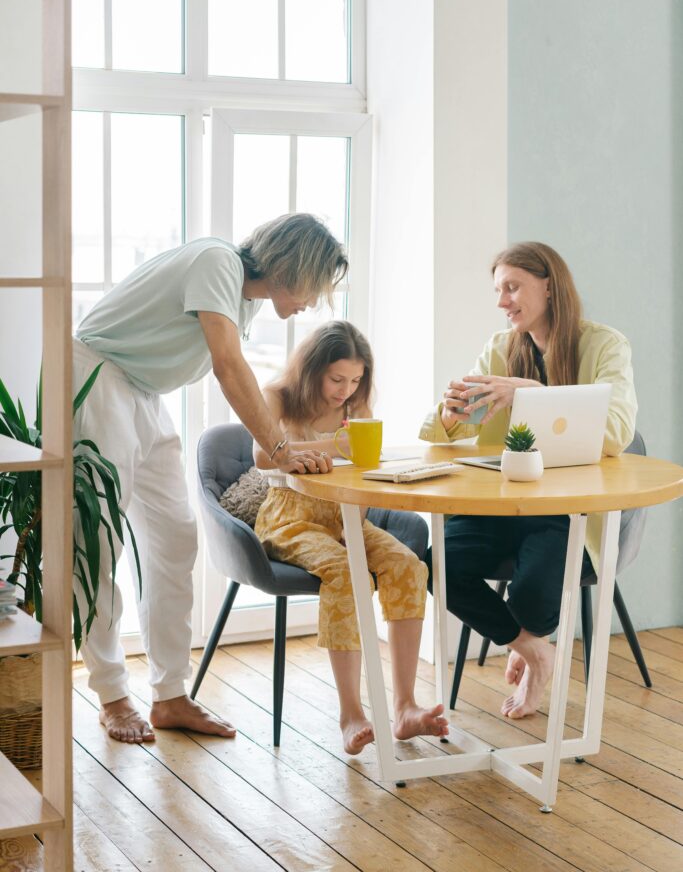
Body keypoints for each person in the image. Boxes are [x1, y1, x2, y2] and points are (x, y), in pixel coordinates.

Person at [73, 213, 346, 744]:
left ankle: (170, 695)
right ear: (290, 267)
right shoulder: (217, 261)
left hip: (141, 391)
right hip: (97, 373)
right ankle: (111, 694)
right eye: (314, 285)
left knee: (174, 537)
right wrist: (282, 448)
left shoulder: (242, 296)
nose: (313, 302)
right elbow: (228, 365)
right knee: (99, 541)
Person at [419, 242, 637, 719]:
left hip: (566, 510)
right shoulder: (500, 348)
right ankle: (535, 650)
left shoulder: (604, 346)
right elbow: (437, 430)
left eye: (512, 287)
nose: (502, 302)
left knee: (535, 594)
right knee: (435, 563)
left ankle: (527, 645)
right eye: (498, 290)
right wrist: (452, 414)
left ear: (549, 286)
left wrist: (532, 393)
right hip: (501, 505)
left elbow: (618, 433)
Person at [254, 320, 448, 754]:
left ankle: (405, 707)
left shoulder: (354, 407)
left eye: (356, 380)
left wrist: (361, 484)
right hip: (290, 519)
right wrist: (336, 449)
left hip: (346, 519)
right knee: (345, 572)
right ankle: (351, 713)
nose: (346, 389)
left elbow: (361, 465)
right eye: (337, 378)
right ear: (312, 369)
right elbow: (262, 453)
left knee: (408, 567)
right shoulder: (278, 398)